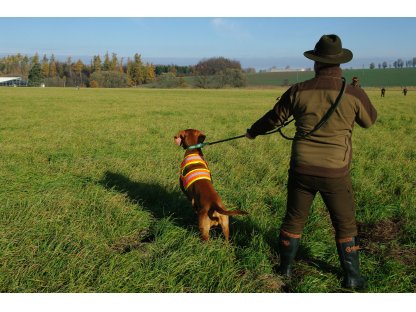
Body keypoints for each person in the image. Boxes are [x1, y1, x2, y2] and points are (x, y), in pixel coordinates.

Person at [245, 34, 377, 290]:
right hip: (335, 173)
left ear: (316, 62)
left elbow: (274, 119)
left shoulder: (298, 90)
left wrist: (252, 131)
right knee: (345, 223)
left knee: (294, 219)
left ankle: (284, 270)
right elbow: (369, 121)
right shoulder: (352, 94)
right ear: (340, 64)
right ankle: (352, 278)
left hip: (301, 168)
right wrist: (358, 91)